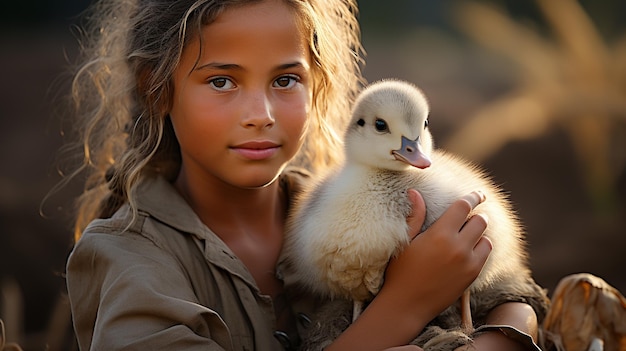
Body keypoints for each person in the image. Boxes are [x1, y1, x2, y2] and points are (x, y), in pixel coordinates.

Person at [62, 0, 547, 350]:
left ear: (318, 83)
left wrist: (499, 340)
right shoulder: (129, 259)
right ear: (157, 89)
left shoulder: (363, 200)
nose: (261, 113)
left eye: (285, 80)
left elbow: (514, 292)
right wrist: (405, 304)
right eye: (221, 81)